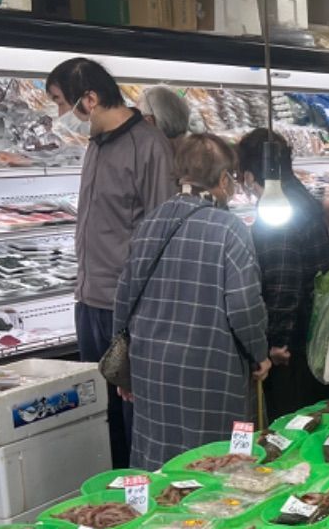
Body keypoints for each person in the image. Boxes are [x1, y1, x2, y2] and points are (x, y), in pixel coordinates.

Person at [46, 57, 175, 468]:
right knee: (99, 417)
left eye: (60, 103)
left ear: (90, 98)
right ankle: (109, 500)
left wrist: (144, 319)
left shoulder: (149, 146)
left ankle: (139, 501)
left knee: (135, 417)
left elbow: (161, 237)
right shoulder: (95, 145)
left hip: (127, 310)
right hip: (89, 303)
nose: (59, 116)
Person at [112, 134, 270, 469]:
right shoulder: (230, 228)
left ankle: (156, 516)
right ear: (224, 180)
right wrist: (259, 354)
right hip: (212, 366)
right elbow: (244, 306)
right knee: (219, 461)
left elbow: (123, 297)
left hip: (151, 367)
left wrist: (126, 370)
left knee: (158, 459)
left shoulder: (149, 223)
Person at [237, 127, 329, 418]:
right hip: (317, 336)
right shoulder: (301, 197)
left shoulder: (277, 209)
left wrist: (276, 342)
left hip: (294, 349)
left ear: (249, 176)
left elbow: (284, 282)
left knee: (292, 424)